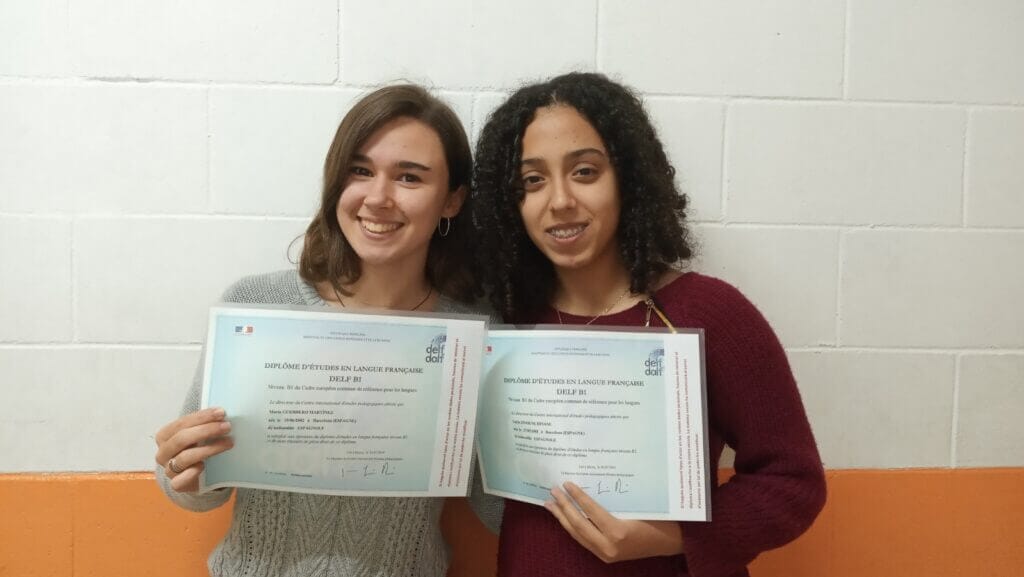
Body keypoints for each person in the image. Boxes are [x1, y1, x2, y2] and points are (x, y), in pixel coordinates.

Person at [472, 72, 826, 577]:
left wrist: (677, 537)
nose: (560, 200)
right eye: (532, 180)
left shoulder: (708, 313)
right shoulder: (506, 323)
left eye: (585, 172)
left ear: (629, 179)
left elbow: (793, 481)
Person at [154, 84, 500, 577]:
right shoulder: (256, 305)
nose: (378, 198)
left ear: (452, 200)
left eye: (409, 177)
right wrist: (182, 470)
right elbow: (193, 493)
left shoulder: (475, 335)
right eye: (360, 170)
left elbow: (496, 510)